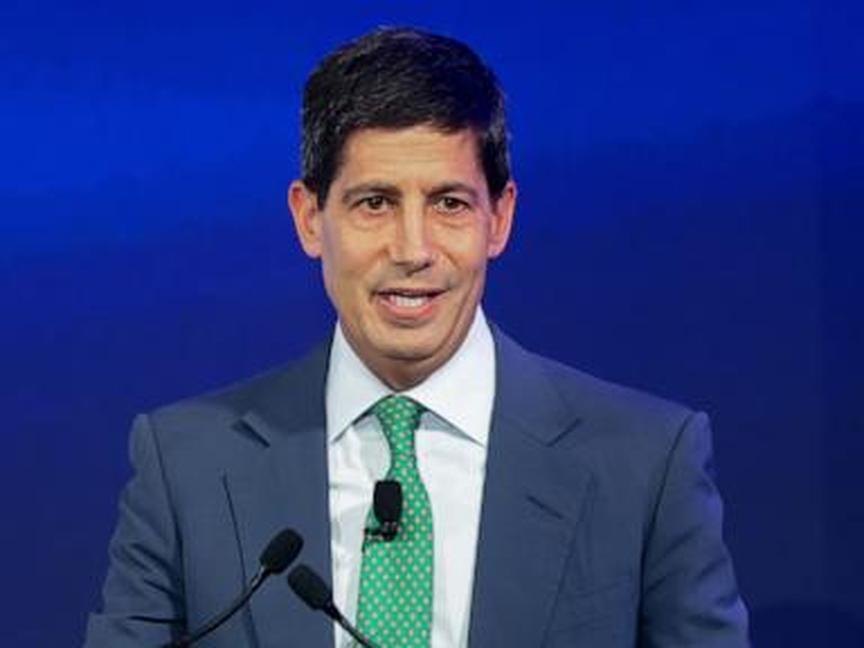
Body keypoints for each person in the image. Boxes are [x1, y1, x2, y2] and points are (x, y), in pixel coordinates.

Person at [85, 27, 749, 647]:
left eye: (449, 204)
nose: (413, 249)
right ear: (310, 218)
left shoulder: (645, 465)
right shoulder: (185, 467)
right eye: (375, 203)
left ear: (499, 220)